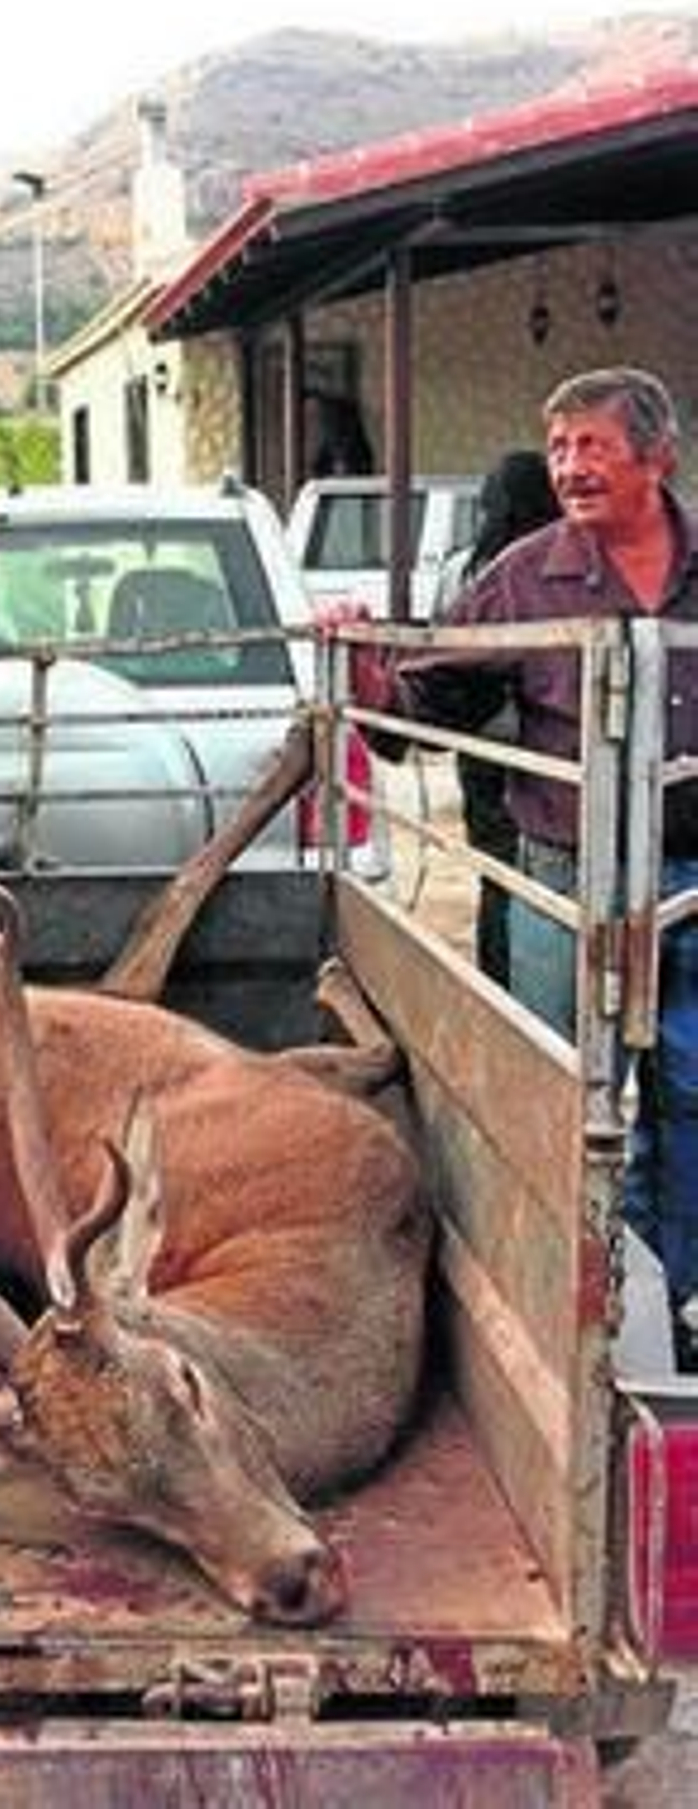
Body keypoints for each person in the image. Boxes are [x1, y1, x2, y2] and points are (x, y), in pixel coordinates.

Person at [339, 368, 698, 1362]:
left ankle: (673, 1295)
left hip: (693, 876)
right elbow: (431, 705)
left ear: (654, 455)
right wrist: (375, 680)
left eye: (592, 445)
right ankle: (569, 1308)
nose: (571, 467)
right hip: (564, 876)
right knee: (562, 1089)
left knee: (691, 1087)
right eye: (559, 450)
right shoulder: (525, 572)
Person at [441, 450, 560, 984]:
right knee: (546, 879)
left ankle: (499, 990)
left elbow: (439, 654)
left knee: (496, 876)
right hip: (546, 744)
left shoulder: (462, 569)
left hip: (482, 745)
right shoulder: (555, 568)